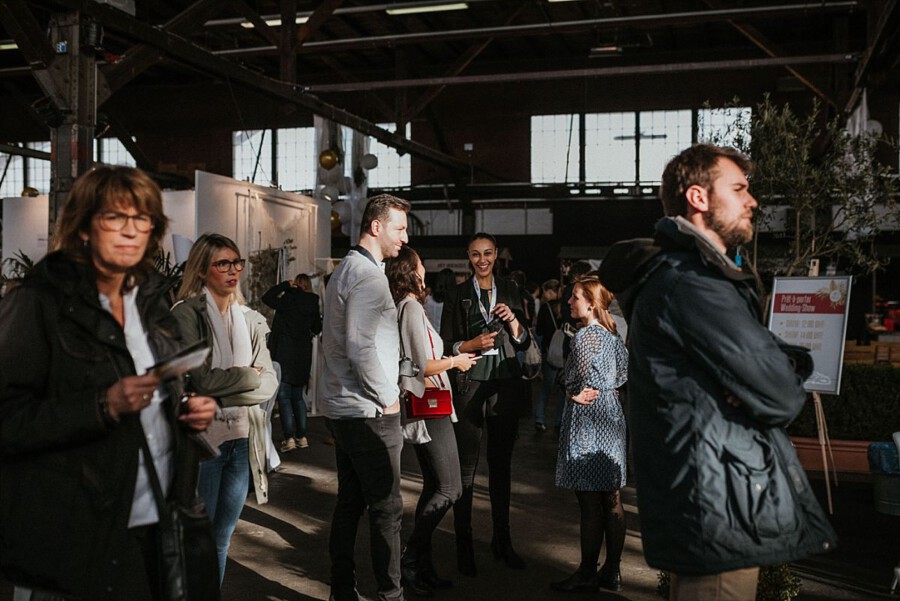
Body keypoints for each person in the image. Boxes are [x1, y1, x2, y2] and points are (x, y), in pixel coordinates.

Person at [599, 143, 837, 600]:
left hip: (713, 498)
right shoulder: (694, 284)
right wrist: (772, 374)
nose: (753, 201)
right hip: (715, 508)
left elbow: (766, 372)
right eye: (740, 189)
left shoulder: (694, 278)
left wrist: (766, 371)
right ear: (699, 198)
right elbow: (782, 394)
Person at [0, 166, 218, 600]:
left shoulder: (149, 303)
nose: (130, 231)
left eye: (143, 220)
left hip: (156, 521)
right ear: (83, 226)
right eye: (114, 218)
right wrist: (102, 406)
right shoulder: (41, 302)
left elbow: (158, 393)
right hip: (79, 533)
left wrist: (187, 408)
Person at [318, 194, 411, 601]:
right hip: (368, 410)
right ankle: (391, 595)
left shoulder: (347, 270)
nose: (404, 238)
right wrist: (389, 397)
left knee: (351, 502)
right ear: (376, 227)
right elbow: (359, 347)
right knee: (387, 509)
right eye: (399, 228)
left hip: (346, 407)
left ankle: (342, 589)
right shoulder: (370, 277)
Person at [171, 233, 278, 585]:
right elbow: (200, 379)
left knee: (221, 541)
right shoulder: (185, 313)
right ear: (202, 270)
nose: (234, 270)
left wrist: (225, 388)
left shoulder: (248, 317)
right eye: (223, 264)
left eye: (237, 262)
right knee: (195, 543)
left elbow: (271, 382)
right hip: (205, 444)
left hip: (241, 441)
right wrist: (248, 377)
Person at [385, 246, 479, 596]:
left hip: (431, 404)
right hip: (429, 407)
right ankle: (410, 561)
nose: (425, 270)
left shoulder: (409, 308)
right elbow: (421, 365)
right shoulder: (409, 308)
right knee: (450, 488)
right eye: (421, 265)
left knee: (435, 486)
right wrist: (455, 363)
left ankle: (421, 565)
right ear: (410, 271)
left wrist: (453, 356)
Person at [440, 232, 532, 576]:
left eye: (488, 253)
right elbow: (447, 344)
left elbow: (524, 342)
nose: (482, 259)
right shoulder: (457, 294)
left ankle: (502, 542)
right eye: (476, 254)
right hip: (468, 386)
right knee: (466, 470)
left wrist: (512, 321)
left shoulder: (510, 290)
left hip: (504, 386)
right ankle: (464, 545)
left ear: (496, 256)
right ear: (468, 255)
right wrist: (469, 344)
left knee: (501, 468)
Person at [551, 277, 628, 593]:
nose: (569, 302)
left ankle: (586, 572)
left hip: (587, 421)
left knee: (588, 500)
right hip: (610, 415)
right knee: (611, 497)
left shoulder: (585, 338)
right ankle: (612, 572)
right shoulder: (613, 336)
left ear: (592, 303)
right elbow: (623, 376)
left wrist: (567, 389)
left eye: (574, 297)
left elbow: (572, 379)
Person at [262, 272, 322, 452]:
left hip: (283, 352)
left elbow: (267, 298)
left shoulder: (287, 300)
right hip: (302, 354)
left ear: (295, 284)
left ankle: (289, 438)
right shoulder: (312, 302)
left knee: (284, 397)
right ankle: (302, 437)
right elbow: (317, 328)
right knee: (298, 397)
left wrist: (284, 286)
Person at [533, 279, 562, 433]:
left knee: (546, 388)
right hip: (565, 353)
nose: (545, 294)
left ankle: (539, 418)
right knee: (563, 391)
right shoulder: (565, 307)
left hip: (549, 351)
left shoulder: (546, 308)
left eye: (546, 291)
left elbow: (540, 331)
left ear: (551, 291)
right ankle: (559, 421)